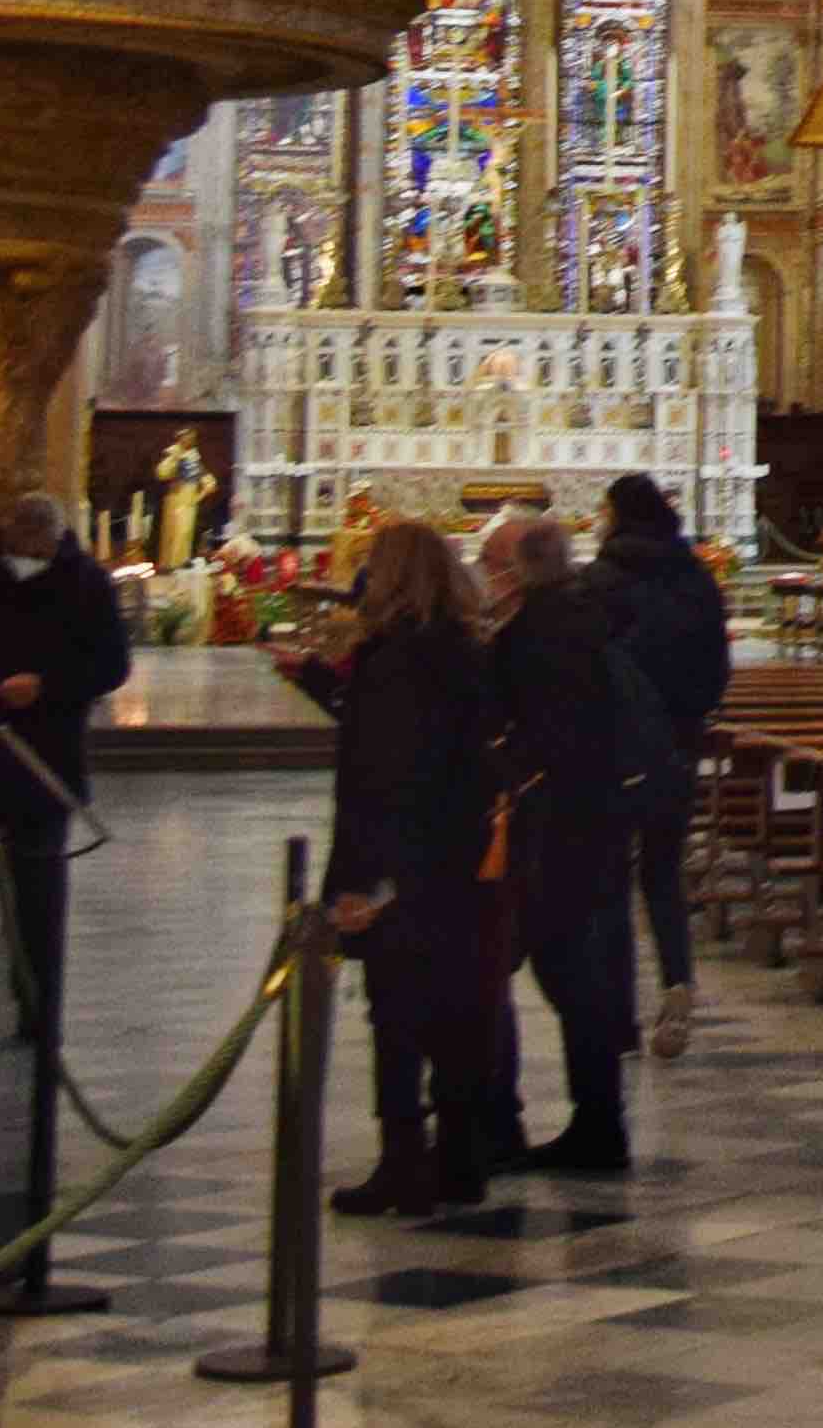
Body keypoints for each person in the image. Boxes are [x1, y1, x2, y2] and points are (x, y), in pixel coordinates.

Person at [284, 519, 514, 1214]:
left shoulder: (392, 658)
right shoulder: (471, 649)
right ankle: (463, 1159)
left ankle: (404, 1164)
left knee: (398, 1016)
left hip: (401, 865)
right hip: (463, 857)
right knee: (458, 1012)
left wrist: (356, 882)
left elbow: (379, 777)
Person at [483, 508, 662, 1174]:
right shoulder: (588, 616)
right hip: (601, 815)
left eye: (492, 564)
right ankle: (597, 1119)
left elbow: (520, 729)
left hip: (558, 823)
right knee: (578, 969)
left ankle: (594, 1125)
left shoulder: (535, 633)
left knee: (566, 969)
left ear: (517, 569)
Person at [0, 491, 131, 1053]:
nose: (23, 553)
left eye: (34, 545)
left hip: (42, 762)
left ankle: (38, 1009)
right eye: (15, 542)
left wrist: (45, 683)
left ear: (53, 538)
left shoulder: (86, 582)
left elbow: (111, 665)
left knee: (39, 897)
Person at [591, 473, 733, 1062]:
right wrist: (689, 717)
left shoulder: (601, 580)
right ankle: (677, 980)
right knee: (662, 874)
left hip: (614, 751)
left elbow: (587, 667)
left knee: (611, 882)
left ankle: (619, 1013)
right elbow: (717, 667)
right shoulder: (696, 577)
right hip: (677, 745)